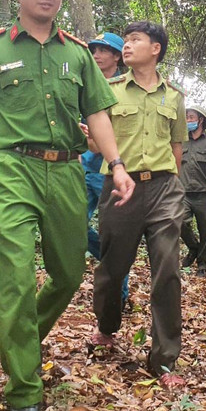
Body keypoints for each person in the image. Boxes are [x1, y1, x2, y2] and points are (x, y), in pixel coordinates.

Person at [0, 0, 135, 411]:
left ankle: (20, 340)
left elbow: (97, 113)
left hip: (69, 170)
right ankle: (24, 393)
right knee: (13, 280)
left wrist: (116, 164)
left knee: (70, 275)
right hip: (12, 168)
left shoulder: (77, 53)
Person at [90, 20, 188, 388]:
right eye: (126, 40)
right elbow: (97, 144)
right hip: (119, 187)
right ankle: (107, 326)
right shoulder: (109, 89)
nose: (126, 46)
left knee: (167, 270)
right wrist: (91, 142)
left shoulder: (174, 96)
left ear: (156, 49)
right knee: (113, 267)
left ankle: (163, 360)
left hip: (164, 188)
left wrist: (171, 183)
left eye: (134, 40)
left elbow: (177, 147)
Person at [83, 32, 130, 307]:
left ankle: (118, 296)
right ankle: (113, 263)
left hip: (110, 172)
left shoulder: (124, 90)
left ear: (117, 56)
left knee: (113, 235)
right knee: (74, 226)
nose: (97, 55)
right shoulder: (81, 85)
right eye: (94, 50)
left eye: (103, 50)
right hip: (81, 167)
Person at [179, 107, 206, 277]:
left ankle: (203, 264)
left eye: (191, 117)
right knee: (179, 222)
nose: (188, 120)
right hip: (183, 192)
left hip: (204, 193)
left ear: (201, 120)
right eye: (186, 117)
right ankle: (194, 248)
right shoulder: (180, 140)